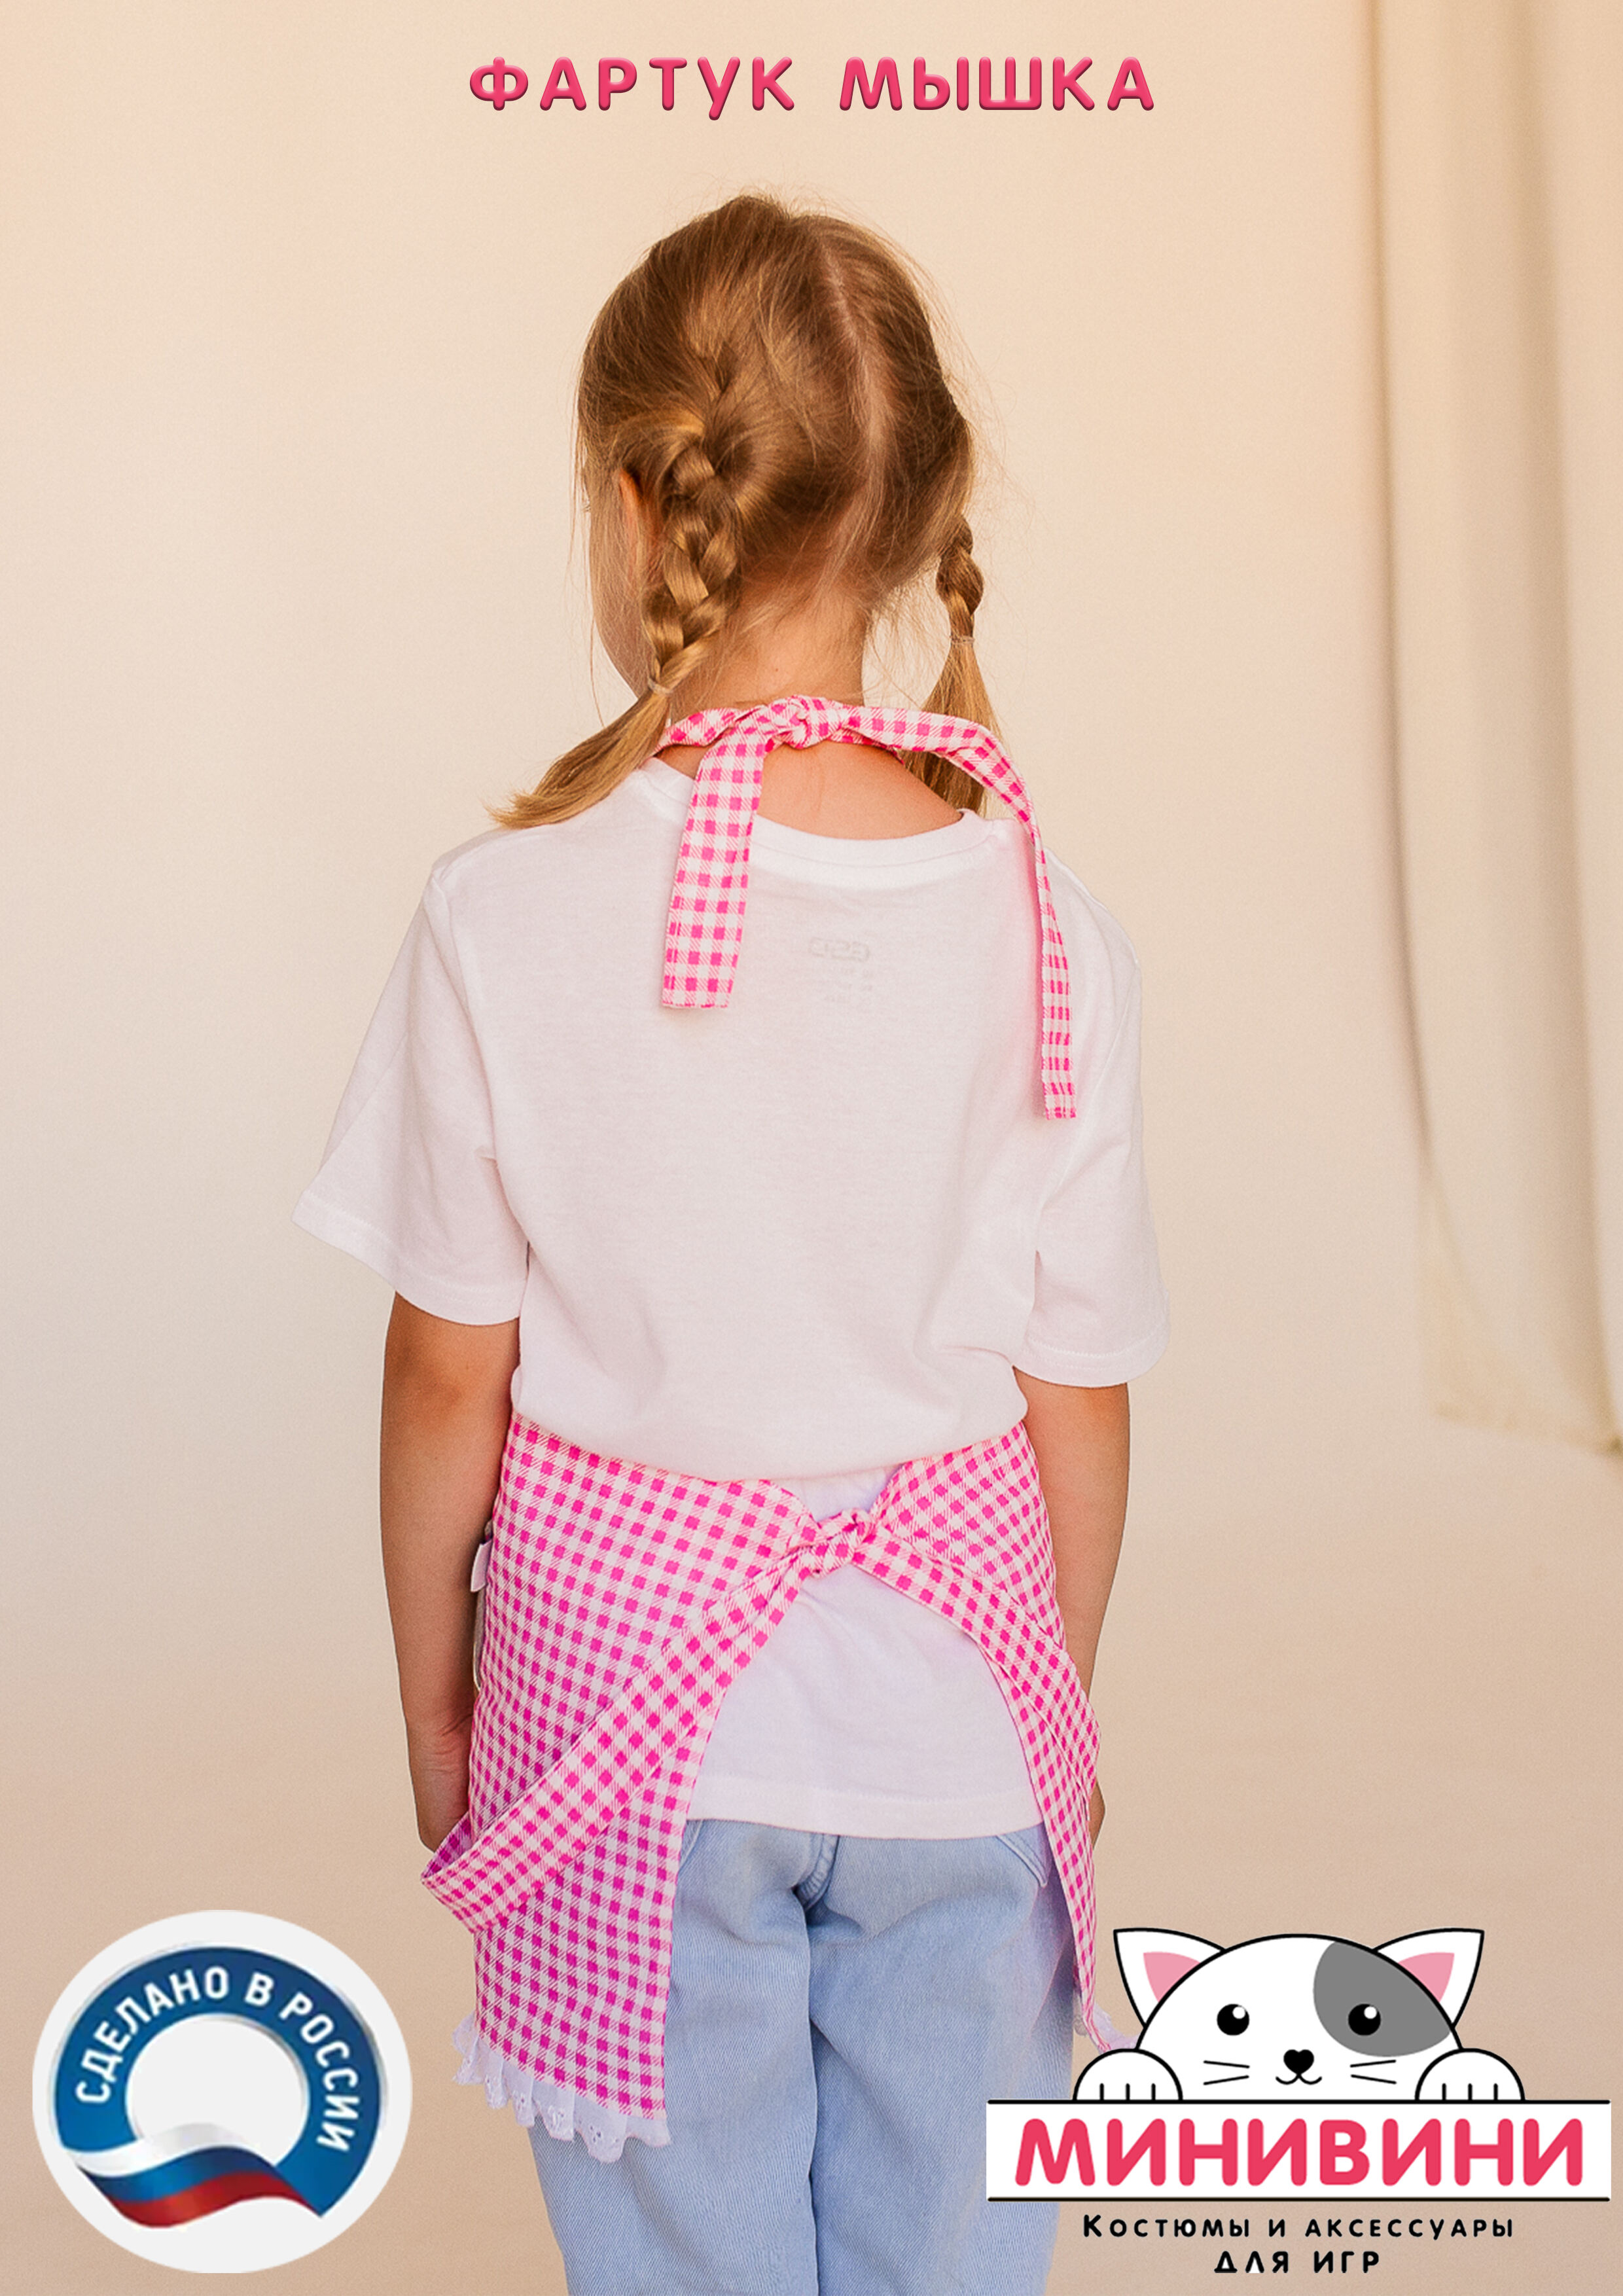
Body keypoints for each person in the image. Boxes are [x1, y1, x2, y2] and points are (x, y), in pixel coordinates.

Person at [294, 192, 1168, 2296]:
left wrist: (436, 1698)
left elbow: (445, 1370)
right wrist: (1043, 1704)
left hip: (626, 1742)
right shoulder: (1050, 928)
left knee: (689, 2259)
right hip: (958, 1726)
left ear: (633, 504)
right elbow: (1078, 1396)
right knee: (955, 2253)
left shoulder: (503, 915)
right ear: (923, 517)